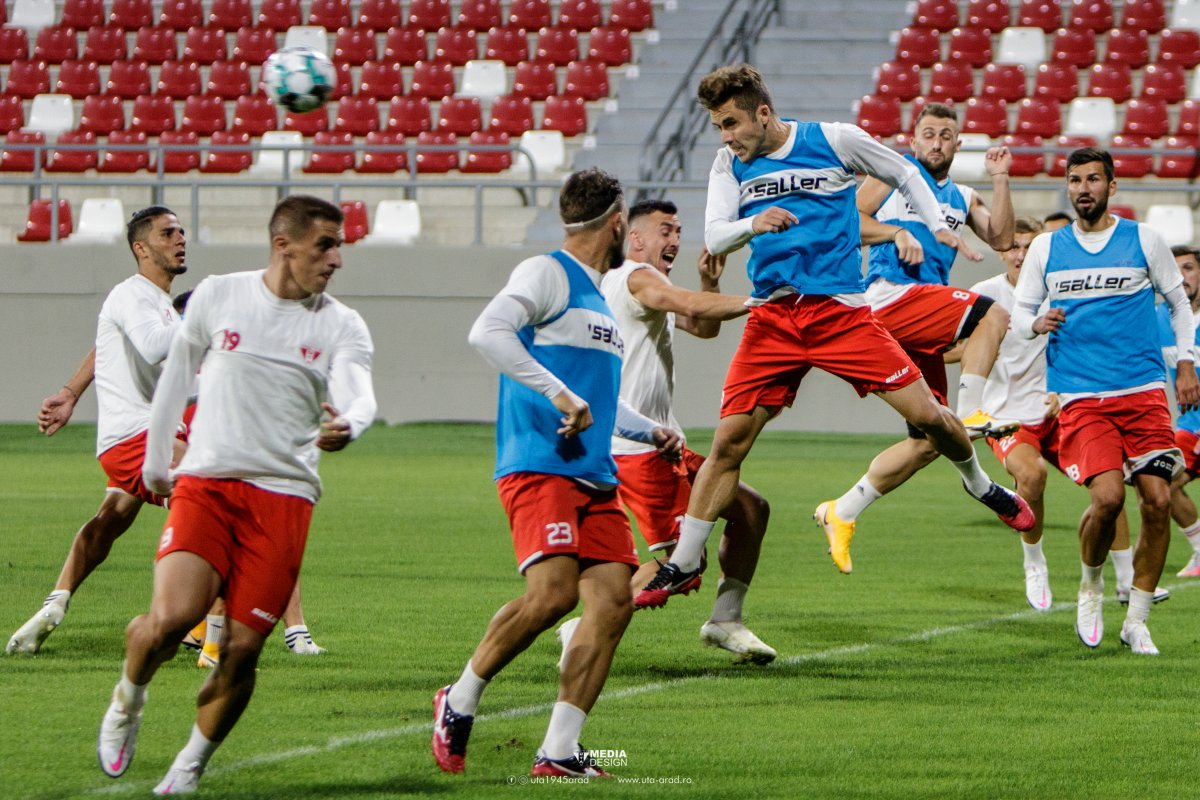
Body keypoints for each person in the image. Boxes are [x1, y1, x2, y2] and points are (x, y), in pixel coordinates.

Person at [635, 64, 1033, 610]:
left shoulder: (834, 140)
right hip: (773, 317)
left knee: (928, 417)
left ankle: (979, 483)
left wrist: (933, 223)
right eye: (718, 127)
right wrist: (754, 224)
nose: (726, 137)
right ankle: (681, 564)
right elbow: (719, 234)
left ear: (763, 114)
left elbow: (904, 170)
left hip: (841, 314)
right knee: (729, 442)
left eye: (731, 123)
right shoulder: (729, 162)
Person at [96, 195, 376, 794]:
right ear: (285, 244)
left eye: (340, 244)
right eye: (326, 244)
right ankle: (128, 699)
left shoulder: (341, 323)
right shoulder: (222, 294)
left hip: (285, 497)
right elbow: (175, 372)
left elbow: (360, 391)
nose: (337, 259)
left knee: (242, 651)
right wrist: (153, 462)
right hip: (209, 482)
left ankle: (189, 765)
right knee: (170, 620)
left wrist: (350, 422)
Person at [432, 169, 682, 779]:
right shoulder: (547, 272)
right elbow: (487, 332)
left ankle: (560, 751)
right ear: (619, 221)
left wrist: (648, 428)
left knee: (612, 604)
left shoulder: (597, 297)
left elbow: (596, 394)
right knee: (552, 595)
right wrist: (560, 396)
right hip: (540, 463)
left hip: (594, 474)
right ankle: (458, 699)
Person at [814, 102, 1018, 573]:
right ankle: (975, 435)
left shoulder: (962, 197)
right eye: (928, 134)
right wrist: (891, 234)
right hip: (888, 297)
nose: (936, 143)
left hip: (921, 316)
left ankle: (841, 512)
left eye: (946, 136)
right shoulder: (893, 176)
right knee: (994, 316)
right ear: (914, 139)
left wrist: (1001, 178)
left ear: (957, 144)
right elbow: (844, 223)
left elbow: (1004, 239)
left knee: (930, 439)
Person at [1011, 147, 1199, 655]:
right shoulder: (1048, 249)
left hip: (1142, 392)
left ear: (1112, 186)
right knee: (1109, 499)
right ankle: (1091, 587)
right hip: (1081, 396)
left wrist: (1184, 361)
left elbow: (1179, 302)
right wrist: (1036, 323)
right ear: (1068, 187)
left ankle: (1137, 620)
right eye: (1075, 180)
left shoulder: (1143, 239)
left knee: (1158, 501)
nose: (1084, 188)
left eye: (1094, 179)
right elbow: (1020, 314)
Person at [597, 198, 775, 663]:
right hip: (636, 447)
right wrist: (758, 302)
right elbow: (687, 304)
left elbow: (700, 324)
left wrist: (710, 283)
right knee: (681, 560)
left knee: (751, 510)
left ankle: (725, 621)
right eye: (665, 230)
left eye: (678, 230)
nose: (674, 239)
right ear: (634, 238)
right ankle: (586, 628)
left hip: (664, 443)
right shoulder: (635, 278)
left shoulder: (645, 285)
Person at [8, 206, 187, 655]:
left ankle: (56, 601)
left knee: (110, 519)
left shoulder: (158, 305)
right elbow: (149, 347)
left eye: (182, 231)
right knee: (217, 506)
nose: (180, 238)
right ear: (140, 248)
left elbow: (107, 344)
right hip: (136, 438)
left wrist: (70, 392)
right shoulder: (132, 295)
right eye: (168, 233)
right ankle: (202, 635)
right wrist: (207, 323)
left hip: (141, 435)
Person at [969, 217, 1162, 610]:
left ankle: (1125, 578)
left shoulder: (1059, 289)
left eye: (1028, 246)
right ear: (1001, 250)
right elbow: (950, 348)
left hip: (1060, 410)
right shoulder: (984, 295)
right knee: (1032, 474)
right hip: (1009, 417)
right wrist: (989, 347)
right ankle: (1034, 563)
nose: (1020, 254)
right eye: (1013, 246)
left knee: (1108, 487)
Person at [1157, 244, 1200, 577]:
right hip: (1189, 424)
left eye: (1188, 268)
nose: (1181, 278)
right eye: (1174, 271)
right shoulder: (1158, 318)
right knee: (1162, 482)